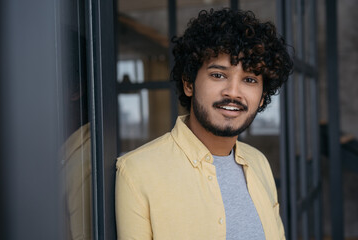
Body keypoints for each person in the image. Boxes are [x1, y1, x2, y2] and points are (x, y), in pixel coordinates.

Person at [115, 8, 293, 240]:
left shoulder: (258, 162)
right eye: (218, 75)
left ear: (261, 98)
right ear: (189, 83)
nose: (233, 92)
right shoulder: (136, 172)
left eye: (249, 80)